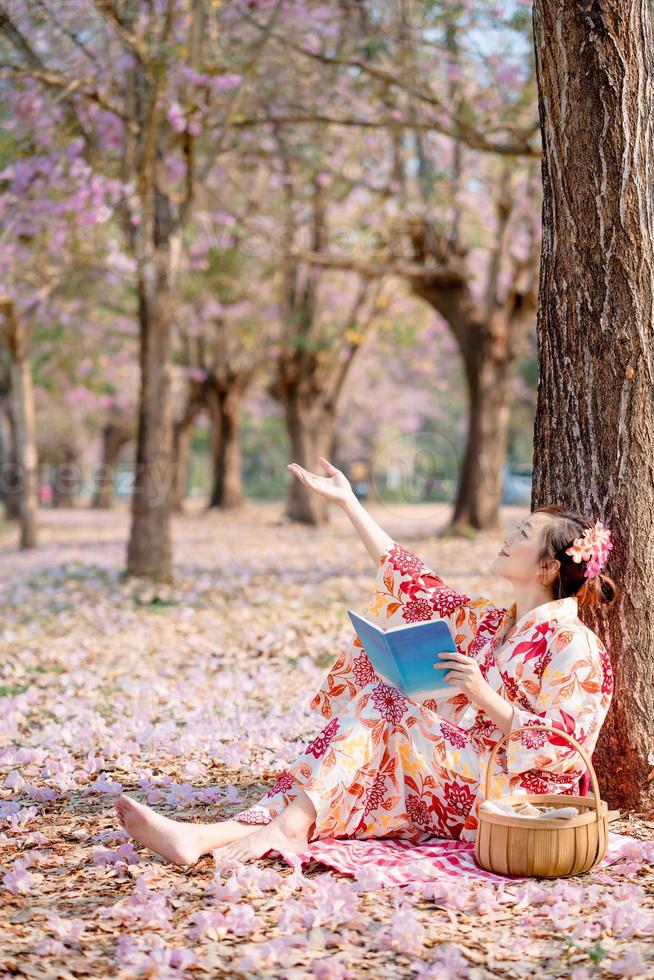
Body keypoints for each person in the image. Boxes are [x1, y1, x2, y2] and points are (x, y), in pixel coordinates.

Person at [115, 457, 616, 866]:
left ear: (548, 566)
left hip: (510, 800)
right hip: (455, 770)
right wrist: (348, 501)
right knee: (381, 709)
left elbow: (565, 751)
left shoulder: (576, 646)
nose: (508, 536)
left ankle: (265, 831)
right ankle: (213, 837)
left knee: (385, 705)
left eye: (524, 533)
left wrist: (483, 697)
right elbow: (415, 584)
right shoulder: (491, 621)